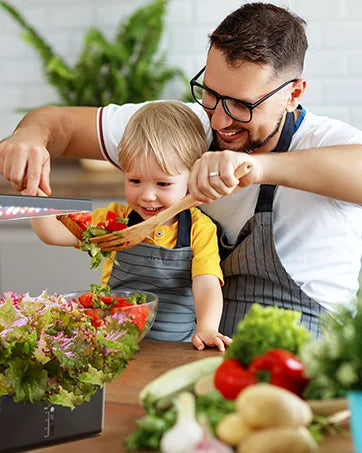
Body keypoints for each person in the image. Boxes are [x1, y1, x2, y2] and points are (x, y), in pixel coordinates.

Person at [0, 3, 361, 336]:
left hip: (303, 347)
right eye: (211, 94)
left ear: (294, 93)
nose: (220, 120)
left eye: (241, 106)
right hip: (195, 344)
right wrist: (31, 136)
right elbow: (58, 122)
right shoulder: (177, 128)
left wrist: (257, 166)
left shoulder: (328, 141)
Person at [30, 101, 231, 352]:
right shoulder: (114, 220)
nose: (147, 195)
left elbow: (206, 283)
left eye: (163, 184)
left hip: (176, 349)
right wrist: (33, 190)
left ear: (191, 177)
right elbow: (52, 233)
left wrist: (208, 328)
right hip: (112, 344)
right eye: (135, 180)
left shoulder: (199, 229)